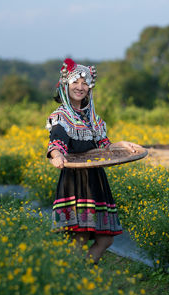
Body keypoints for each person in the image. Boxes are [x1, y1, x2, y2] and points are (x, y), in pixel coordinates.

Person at [46, 58, 139, 264]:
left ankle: (80, 274)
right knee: (79, 236)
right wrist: (57, 156)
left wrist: (122, 144)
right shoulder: (61, 117)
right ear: (65, 85)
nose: (80, 87)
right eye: (75, 82)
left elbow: (104, 145)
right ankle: (74, 279)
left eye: (84, 83)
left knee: (105, 239)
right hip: (76, 181)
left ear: (89, 88)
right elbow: (57, 143)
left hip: (96, 180)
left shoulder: (92, 118)